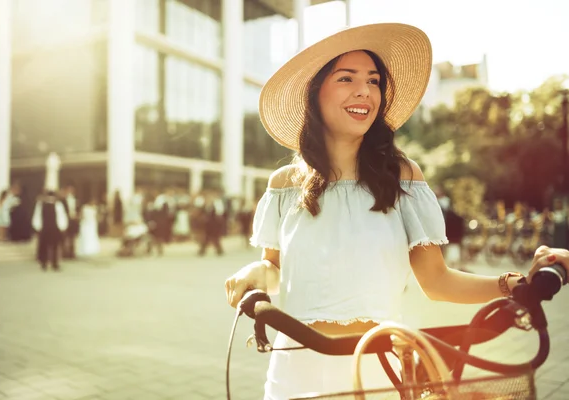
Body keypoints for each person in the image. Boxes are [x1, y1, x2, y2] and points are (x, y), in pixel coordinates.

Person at [222, 23, 569, 400]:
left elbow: (437, 281)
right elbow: (274, 272)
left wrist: (514, 285)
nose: (364, 91)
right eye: (346, 78)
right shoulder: (283, 184)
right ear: (314, 93)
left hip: (377, 367)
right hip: (292, 369)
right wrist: (253, 271)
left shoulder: (403, 177)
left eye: (373, 81)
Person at [32, 191, 68, 271]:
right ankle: (52, 263)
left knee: (47, 246)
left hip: (48, 228)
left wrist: (37, 227)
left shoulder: (44, 205)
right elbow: (61, 216)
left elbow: (37, 216)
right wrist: (63, 227)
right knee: (52, 246)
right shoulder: (55, 205)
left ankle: (46, 263)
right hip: (51, 228)